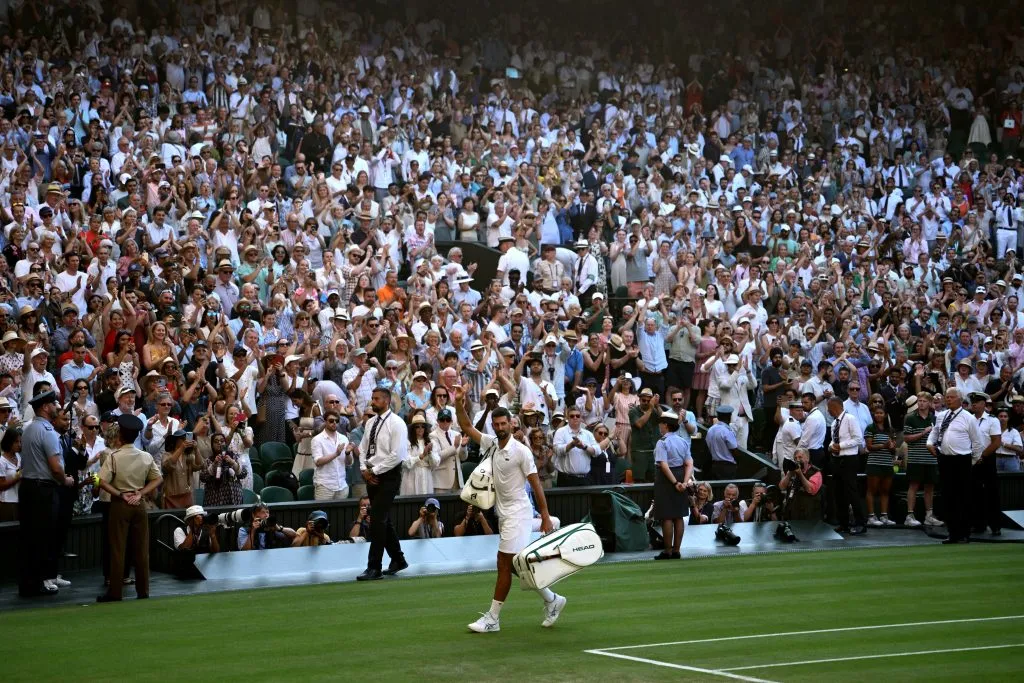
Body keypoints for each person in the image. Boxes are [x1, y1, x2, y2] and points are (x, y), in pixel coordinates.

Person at [453, 382, 564, 633]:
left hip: (519, 513)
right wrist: (459, 402)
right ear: (494, 425)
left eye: (505, 424)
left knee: (503, 564)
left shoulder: (522, 452)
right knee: (518, 566)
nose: (501, 428)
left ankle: (493, 618)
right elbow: (467, 427)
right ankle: (552, 599)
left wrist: (545, 517)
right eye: (498, 424)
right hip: (503, 514)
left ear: (511, 424)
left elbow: (537, 486)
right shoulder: (492, 443)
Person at [95, 413, 163, 602]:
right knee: (141, 550)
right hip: (139, 504)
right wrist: (141, 493)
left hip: (120, 504)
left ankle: (115, 592)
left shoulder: (114, 457)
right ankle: (143, 591)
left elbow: (101, 481)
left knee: (118, 549)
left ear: (120, 435)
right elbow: (158, 479)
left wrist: (120, 494)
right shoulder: (145, 456)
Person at [17, 390, 70, 597]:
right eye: (53, 403)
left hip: (28, 487)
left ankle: (27, 583)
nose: (57, 405)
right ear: (45, 407)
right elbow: (56, 467)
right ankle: (39, 582)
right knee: (43, 537)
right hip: (43, 490)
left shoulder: (29, 429)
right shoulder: (47, 431)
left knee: (29, 537)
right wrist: (65, 479)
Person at [356, 387, 409, 580]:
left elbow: (398, 455)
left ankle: (374, 567)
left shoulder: (397, 423)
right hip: (371, 474)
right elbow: (363, 448)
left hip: (388, 476)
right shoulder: (370, 422)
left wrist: (373, 471)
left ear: (386, 401)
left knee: (377, 520)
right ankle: (398, 559)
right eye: (372, 398)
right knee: (382, 519)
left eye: (376, 398)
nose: (373, 401)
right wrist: (364, 469)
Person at [927, 388, 984, 544]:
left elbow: (978, 443)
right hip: (945, 459)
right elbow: (935, 432)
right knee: (948, 497)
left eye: (952, 397)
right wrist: (929, 443)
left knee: (963, 498)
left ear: (960, 400)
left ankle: (964, 533)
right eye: (947, 397)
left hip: (962, 459)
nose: (949, 399)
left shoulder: (968, 418)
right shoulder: (941, 416)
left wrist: (971, 461)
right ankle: (952, 532)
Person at [652, 410, 694, 560]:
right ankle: (677, 550)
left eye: (661, 424)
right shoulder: (683, 441)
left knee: (667, 516)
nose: (659, 427)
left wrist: (675, 483)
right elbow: (689, 463)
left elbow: (663, 465)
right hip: (681, 475)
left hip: (666, 479)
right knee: (678, 515)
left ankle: (668, 550)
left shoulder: (662, 442)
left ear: (666, 425)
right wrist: (684, 482)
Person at [828, 396, 867, 535]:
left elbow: (858, 439)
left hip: (849, 459)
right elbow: (833, 441)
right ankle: (843, 523)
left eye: (829, 407)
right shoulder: (834, 423)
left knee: (852, 491)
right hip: (837, 460)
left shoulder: (850, 419)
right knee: (839, 492)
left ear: (834, 406)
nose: (828, 410)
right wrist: (831, 447)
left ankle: (861, 523)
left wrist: (841, 446)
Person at [902, 394, 942, 527]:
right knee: (913, 486)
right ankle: (909, 515)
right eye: (920, 401)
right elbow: (907, 438)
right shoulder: (910, 418)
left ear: (930, 403)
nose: (921, 403)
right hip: (915, 459)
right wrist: (924, 433)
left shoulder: (935, 418)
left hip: (931, 459)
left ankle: (929, 516)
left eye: (924, 401)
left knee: (929, 487)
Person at [968, 392, 1003, 536]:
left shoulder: (992, 420)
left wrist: (983, 455)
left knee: (991, 491)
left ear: (984, 404)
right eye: (973, 402)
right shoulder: (968, 419)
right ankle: (978, 524)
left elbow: (996, 441)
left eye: (977, 402)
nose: (974, 404)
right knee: (974, 492)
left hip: (987, 459)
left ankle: (995, 525)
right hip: (971, 459)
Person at [864, 405, 897, 527]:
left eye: (881, 413)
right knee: (872, 490)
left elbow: (893, 451)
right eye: (876, 413)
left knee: (885, 491)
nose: (878, 415)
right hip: (874, 463)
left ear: (885, 415)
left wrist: (892, 447)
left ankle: (884, 516)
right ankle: (871, 516)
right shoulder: (870, 428)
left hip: (887, 463)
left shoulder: (890, 430)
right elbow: (869, 447)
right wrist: (884, 446)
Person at [311, 410, 353, 500]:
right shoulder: (317, 440)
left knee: (341, 514)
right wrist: (336, 454)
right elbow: (318, 462)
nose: (334, 423)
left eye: (336, 421)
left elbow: (349, 463)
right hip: (324, 486)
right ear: (325, 421)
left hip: (342, 485)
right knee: (322, 513)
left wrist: (348, 453)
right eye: (331, 421)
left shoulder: (344, 438)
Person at [778, 448, 824, 521]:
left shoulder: (815, 472)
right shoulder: (792, 472)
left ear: (807, 459)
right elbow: (781, 487)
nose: (797, 460)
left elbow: (811, 490)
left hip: (809, 515)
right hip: (792, 513)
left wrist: (800, 474)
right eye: (795, 458)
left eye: (800, 457)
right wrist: (789, 474)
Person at [706, 406, 740, 479]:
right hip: (727, 467)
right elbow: (734, 449)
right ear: (729, 416)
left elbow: (707, 446)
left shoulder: (710, 430)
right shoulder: (727, 431)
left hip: (714, 465)